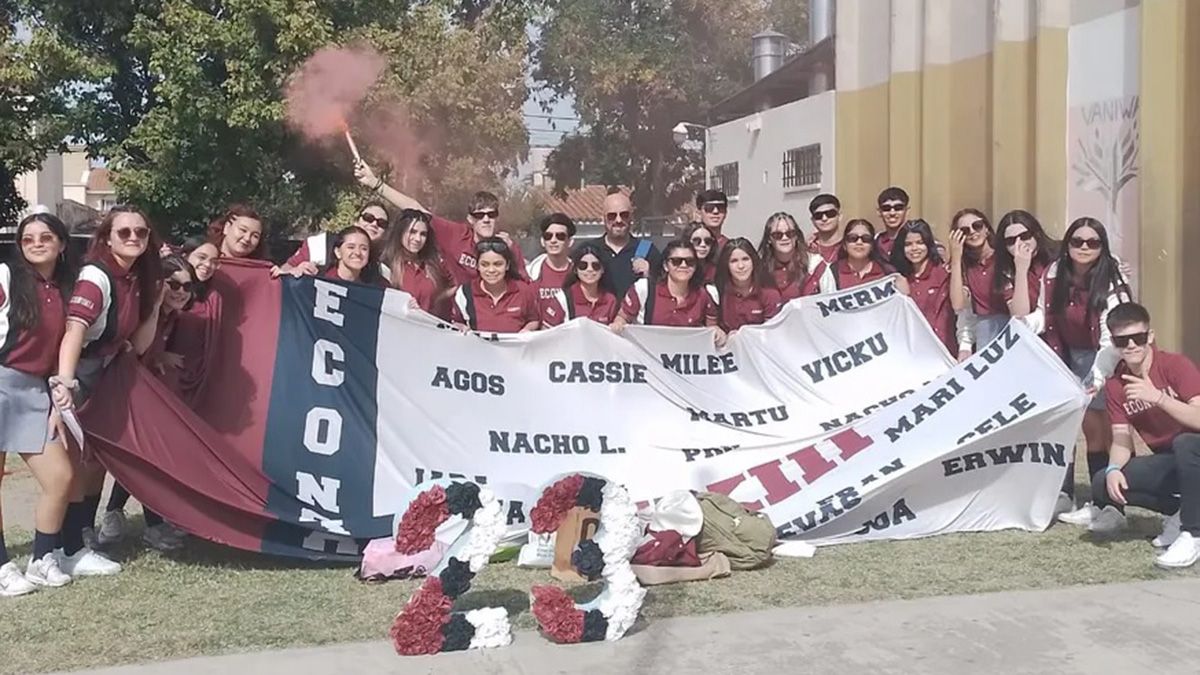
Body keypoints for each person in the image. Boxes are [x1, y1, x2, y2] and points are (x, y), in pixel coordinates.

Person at [52, 206, 165, 577]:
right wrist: (65, 383)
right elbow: (74, 331)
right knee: (76, 463)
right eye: (124, 233)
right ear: (107, 238)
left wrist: (156, 307)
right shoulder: (96, 277)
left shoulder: (134, 278)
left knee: (95, 460)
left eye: (141, 233)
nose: (133, 238)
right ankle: (66, 545)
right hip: (82, 371)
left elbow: (141, 343)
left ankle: (81, 536)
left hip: (106, 372)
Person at [1025, 218, 1132, 526]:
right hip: (1066, 354)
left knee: (1105, 433)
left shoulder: (1112, 280)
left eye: (1093, 242)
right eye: (1077, 241)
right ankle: (1070, 495)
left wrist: (1097, 378)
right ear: (1068, 244)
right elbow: (1043, 315)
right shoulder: (1055, 273)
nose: (1084, 247)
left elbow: (1113, 337)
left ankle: (1112, 507)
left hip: (1105, 357)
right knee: (1075, 430)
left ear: (1102, 247)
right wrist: (1023, 326)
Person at [1086, 303, 1200, 568]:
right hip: (1172, 461)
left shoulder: (1175, 365)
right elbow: (1121, 438)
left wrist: (1158, 397)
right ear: (1113, 343)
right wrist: (1114, 467)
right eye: (1122, 341)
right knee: (1103, 482)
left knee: (1185, 443)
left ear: (1150, 336)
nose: (1131, 346)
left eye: (1138, 338)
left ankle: (1194, 533)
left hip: (1194, 450)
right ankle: (1181, 512)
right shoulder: (1117, 385)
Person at [0, 214, 78, 596]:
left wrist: (54, 398)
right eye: (28, 238)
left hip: (36, 390)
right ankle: (1, 566)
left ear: (61, 244)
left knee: (59, 476)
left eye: (45, 236)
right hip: (1, 378)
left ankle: (42, 559)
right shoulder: (7, 277)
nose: (36, 243)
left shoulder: (67, 288)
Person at [99, 255, 197, 552]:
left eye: (187, 286)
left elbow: (149, 351)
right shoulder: (147, 308)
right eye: (173, 284)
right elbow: (138, 347)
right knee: (147, 459)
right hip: (120, 391)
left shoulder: (172, 317)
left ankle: (124, 516)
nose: (181, 290)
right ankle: (139, 523)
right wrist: (155, 304)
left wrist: (161, 357)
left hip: (143, 392)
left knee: (150, 459)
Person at [353, 162, 526, 285]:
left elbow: (525, 285)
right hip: (456, 322)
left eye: (491, 214)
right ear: (470, 219)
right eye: (479, 215)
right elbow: (416, 208)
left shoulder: (508, 247)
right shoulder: (456, 235)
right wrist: (375, 183)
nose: (486, 219)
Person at [611, 240, 726, 347]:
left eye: (690, 261)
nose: (683, 265)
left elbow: (712, 328)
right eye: (676, 261)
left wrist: (718, 334)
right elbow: (622, 318)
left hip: (686, 360)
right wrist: (618, 325)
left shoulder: (704, 295)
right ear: (666, 266)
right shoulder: (643, 289)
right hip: (647, 358)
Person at [890, 220, 970, 360]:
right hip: (913, 355)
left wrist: (956, 258)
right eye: (908, 244)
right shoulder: (900, 280)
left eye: (920, 242)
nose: (914, 248)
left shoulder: (944, 272)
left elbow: (959, 304)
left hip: (945, 353)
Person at [449, 237, 540, 333]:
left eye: (497, 264)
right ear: (477, 266)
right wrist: (461, 328)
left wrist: (527, 329)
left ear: (507, 265)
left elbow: (533, 320)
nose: (491, 270)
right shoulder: (465, 292)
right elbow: (457, 322)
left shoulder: (523, 291)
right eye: (485, 264)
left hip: (514, 347)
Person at [280, 202, 390, 275]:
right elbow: (284, 270)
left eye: (382, 223)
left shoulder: (381, 272)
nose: (374, 224)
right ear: (356, 221)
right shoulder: (322, 244)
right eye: (368, 218)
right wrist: (294, 272)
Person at [947, 208, 1004, 348]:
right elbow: (958, 304)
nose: (972, 232)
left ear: (986, 229)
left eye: (977, 226)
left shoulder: (1003, 257)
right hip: (985, 331)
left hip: (1012, 325)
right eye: (965, 231)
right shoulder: (965, 266)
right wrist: (955, 257)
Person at [380, 209, 452, 317]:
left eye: (423, 234)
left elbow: (458, 284)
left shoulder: (433, 265)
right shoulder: (385, 266)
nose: (418, 239)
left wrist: (438, 300)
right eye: (412, 232)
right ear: (400, 232)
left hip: (429, 329)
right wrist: (401, 305)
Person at [992, 210, 1057, 320]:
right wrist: (1021, 270)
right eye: (1011, 241)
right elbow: (1020, 315)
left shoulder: (1056, 257)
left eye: (1025, 236)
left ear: (1036, 234)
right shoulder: (1005, 270)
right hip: (1030, 330)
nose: (1020, 243)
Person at [757, 212, 835, 302]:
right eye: (777, 235)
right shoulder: (760, 270)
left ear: (797, 236)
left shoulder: (816, 265)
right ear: (769, 239)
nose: (785, 238)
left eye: (790, 233)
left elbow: (831, 301)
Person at [598, 189, 661, 299]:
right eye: (612, 216)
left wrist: (649, 275)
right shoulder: (590, 250)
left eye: (624, 215)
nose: (618, 220)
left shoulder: (647, 249)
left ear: (631, 217)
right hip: (599, 315)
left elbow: (664, 292)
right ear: (603, 218)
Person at [713, 238, 783, 333]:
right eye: (734, 261)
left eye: (745, 259)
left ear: (753, 261)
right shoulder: (719, 292)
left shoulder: (769, 294)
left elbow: (771, 333)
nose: (741, 266)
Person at [541, 244, 620, 327]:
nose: (589, 269)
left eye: (595, 266)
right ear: (575, 269)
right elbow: (547, 331)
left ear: (602, 269)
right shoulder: (562, 299)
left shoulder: (610, 300)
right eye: (583, 266)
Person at [526, 213, 575, 301]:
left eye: (560, 236)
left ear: (570, 242)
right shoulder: (529, 275)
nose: (553, 240)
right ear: (542, 241)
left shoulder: (579, 274)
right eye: (548, 236)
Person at [832, 219, 893, 289]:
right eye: (853, 238)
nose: (859, 242)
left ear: (872, 245)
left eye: (866, 238)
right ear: (844, 244)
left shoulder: (886, 272)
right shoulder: (832, 272)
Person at [874, 187, 910, 259]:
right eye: (886, 208)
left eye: (898, 208)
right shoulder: (875, 242)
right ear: (879, 212)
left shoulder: (919, 241)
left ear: (907, 211)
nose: (892, 213)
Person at [806, 193, 843, 265]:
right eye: (818, 215)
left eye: (830, 214)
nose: (824, 218)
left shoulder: (850, 246)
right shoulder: (807, 250)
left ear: (839, 216)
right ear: (813, 220)